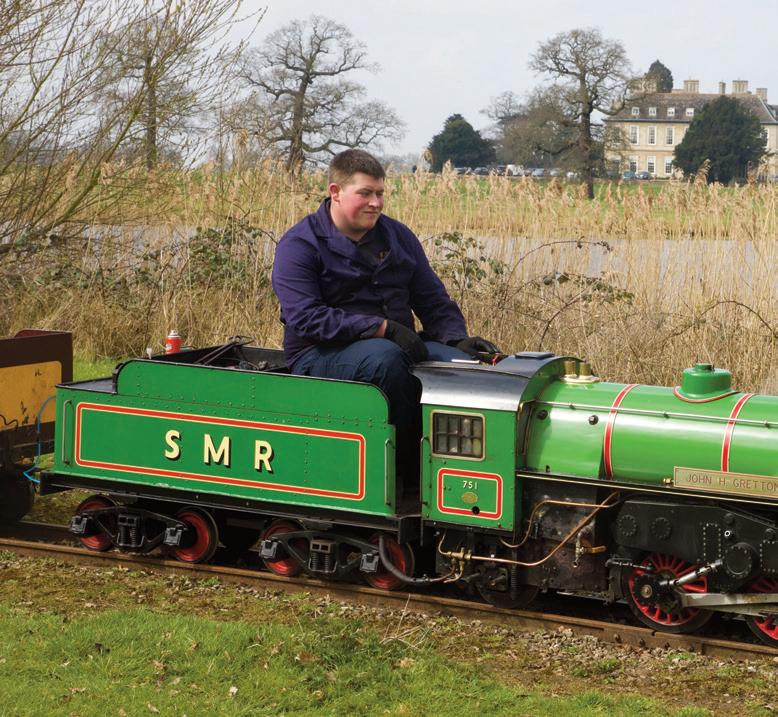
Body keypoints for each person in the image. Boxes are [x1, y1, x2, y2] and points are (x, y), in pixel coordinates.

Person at [271, 149, 498, 479]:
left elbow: (432, 299)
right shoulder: (299, 245)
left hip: (396, 345)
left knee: (463, 367)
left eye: (380, 193)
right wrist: (382, 328)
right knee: (385, 360)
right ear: (335, 192)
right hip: (318, 354)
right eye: (365, 193)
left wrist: (456, 339)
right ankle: (405, 475)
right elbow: (307, 318)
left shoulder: (398, 236)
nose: (375, 203)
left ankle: (462, 472)